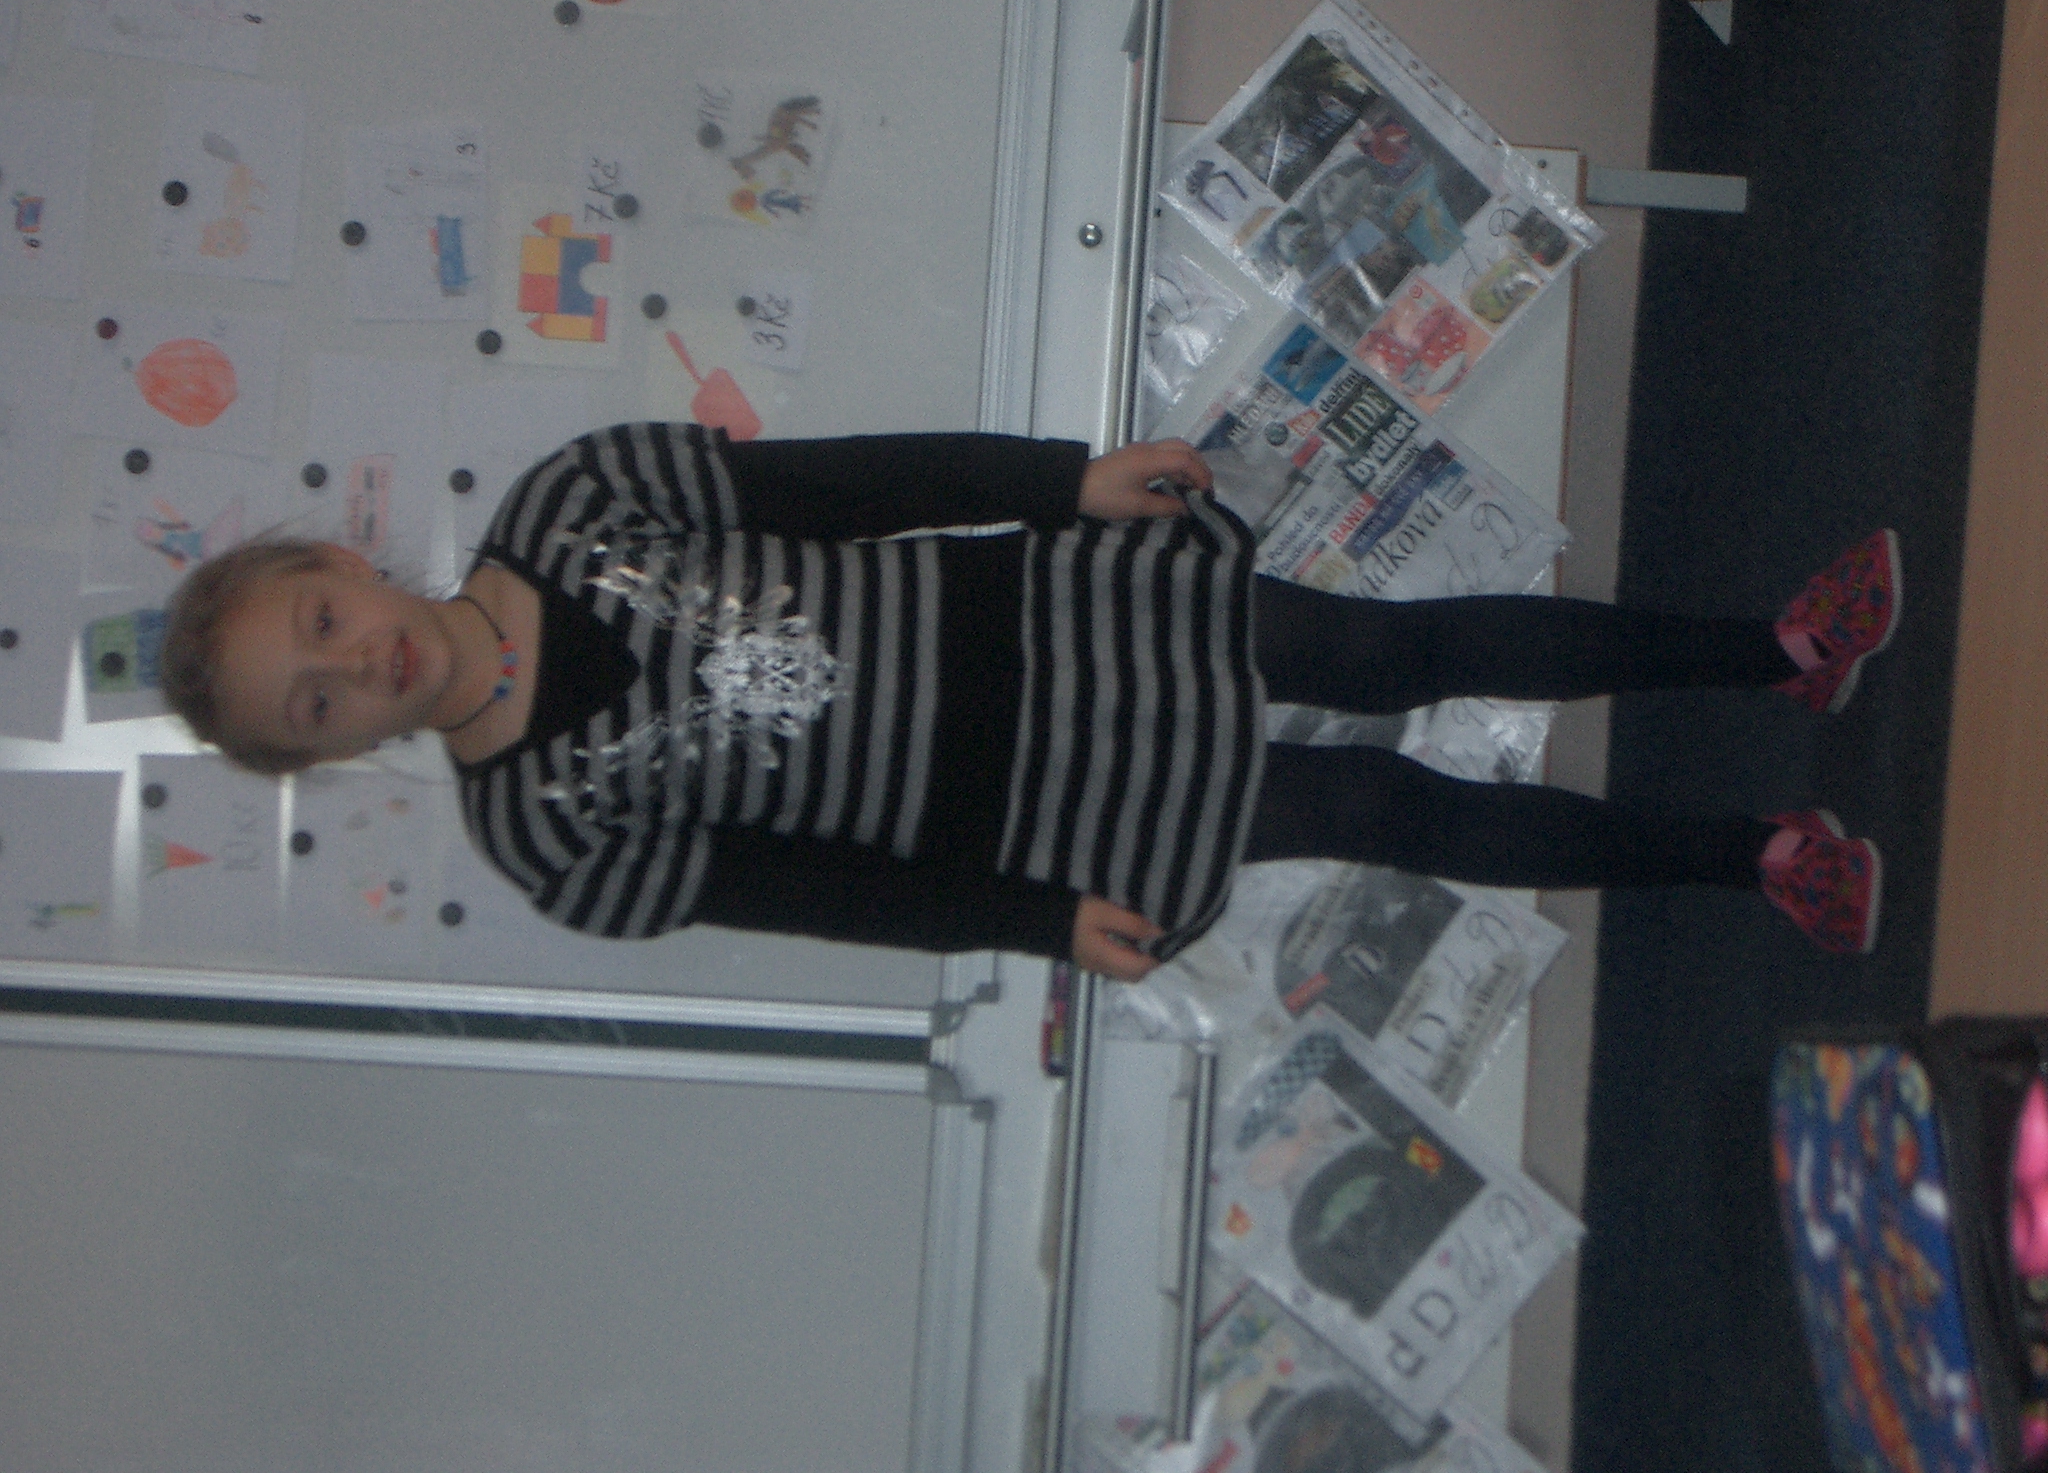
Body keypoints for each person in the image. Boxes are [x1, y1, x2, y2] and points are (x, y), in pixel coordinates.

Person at [159, 423, 1897, 976]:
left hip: (1069, 609)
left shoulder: (572, 497)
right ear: (335, 754)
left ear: (343, 561)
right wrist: (1033, 923)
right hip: (1043, 813)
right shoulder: (550, 843)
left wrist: (1059, 478)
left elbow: (854, 485)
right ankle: (1754, 855)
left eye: (320, 619)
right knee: (1385, 809)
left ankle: (1775, 652)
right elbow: (827, 895)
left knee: (1398, 655)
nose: (351, 662)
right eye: (311, 703)